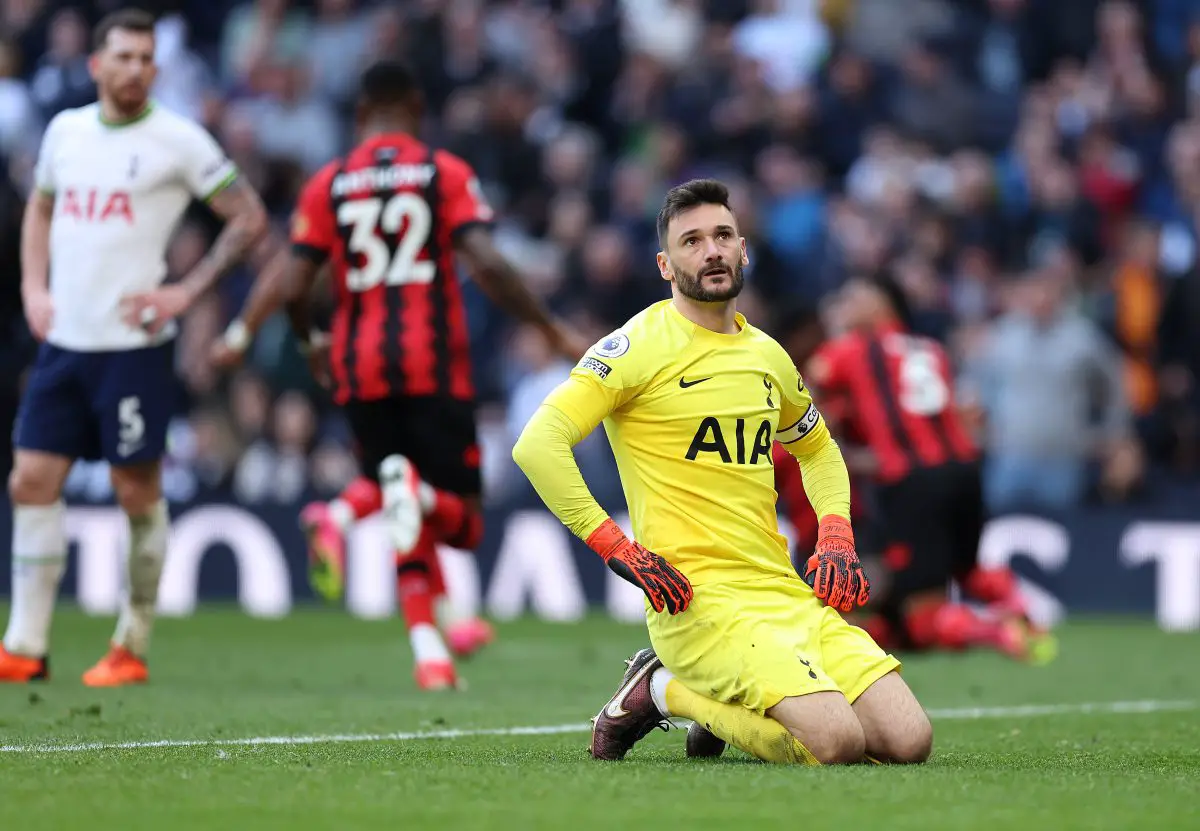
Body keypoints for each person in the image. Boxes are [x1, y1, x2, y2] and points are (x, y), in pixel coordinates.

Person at [512, 179, 932, 765]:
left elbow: (820, 449)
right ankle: (662, 690)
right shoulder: (636, 346)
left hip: (781, 591)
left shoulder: (768, 355)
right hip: (697, 604)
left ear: (743, 251)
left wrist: (836, 531)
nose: (711, 251)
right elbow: (538, 443)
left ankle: (719, 701)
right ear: (665, 264)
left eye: (723, 236)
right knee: (835, 743)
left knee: (910, 742)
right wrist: (614, 544)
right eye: (691, 241)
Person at [213, 60, 587, 690]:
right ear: (417, 106)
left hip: (360, 368)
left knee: (396, 504)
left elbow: (293, 276)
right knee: (461, 523)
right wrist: (548, 328)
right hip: (432, 365)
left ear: (360, 114)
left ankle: (430, 653)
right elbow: (488, 261)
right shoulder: (444, 172)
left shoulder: (330, 183)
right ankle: (368, 512)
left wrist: (286, 337)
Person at [0, 8, 268, 686]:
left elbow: (249, 217)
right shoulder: (66, 131)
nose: (135, 69)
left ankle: (131, 641)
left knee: (135, 489)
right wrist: (34, 287)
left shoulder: (178, 140)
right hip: (65, 342)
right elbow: (40, 207)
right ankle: (25, 642)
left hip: (133, 346)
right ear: (96, 65)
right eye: (122, 56)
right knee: (30, 481)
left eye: (146, 58)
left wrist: (187, 289)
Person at [807, 276, 1054, 662]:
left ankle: (996, 631)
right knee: (968, 568)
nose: (844, 306)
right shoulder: (930, 349)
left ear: (881, 304)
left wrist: (848, 452)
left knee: (921, 615)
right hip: (965, 471)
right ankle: (1025, 613)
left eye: (853, 298)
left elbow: (807, 406)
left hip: (913, 484)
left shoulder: (847, 350)